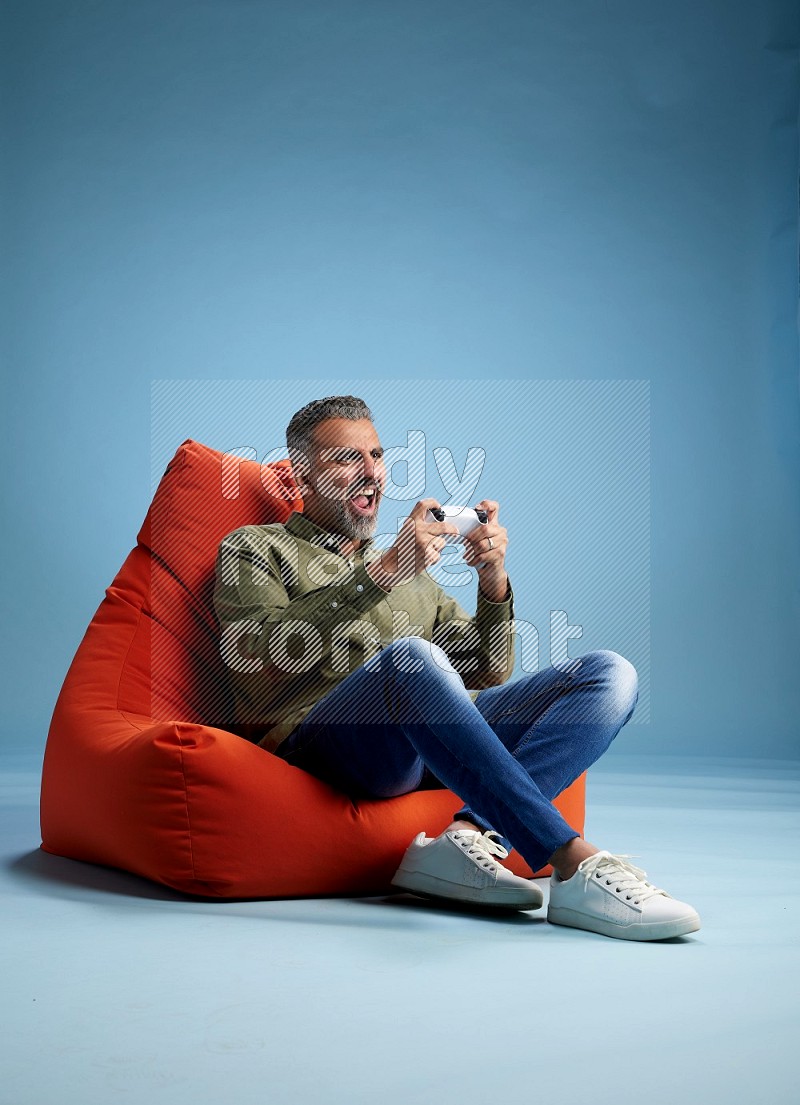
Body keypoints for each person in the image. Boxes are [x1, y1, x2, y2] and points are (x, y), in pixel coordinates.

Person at [213, 395, 700, 941]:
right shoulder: (256, 548)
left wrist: (493, 581)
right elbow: (255, 657)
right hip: (322, 745)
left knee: (609, 674)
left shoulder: (416, 579)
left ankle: (466, 837)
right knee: (412, 659)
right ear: (302, 473)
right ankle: (572, 861)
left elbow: (489, 673)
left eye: (376, 455)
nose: (372, 472)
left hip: (430, 750)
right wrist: (383, 573)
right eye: (348, 459)